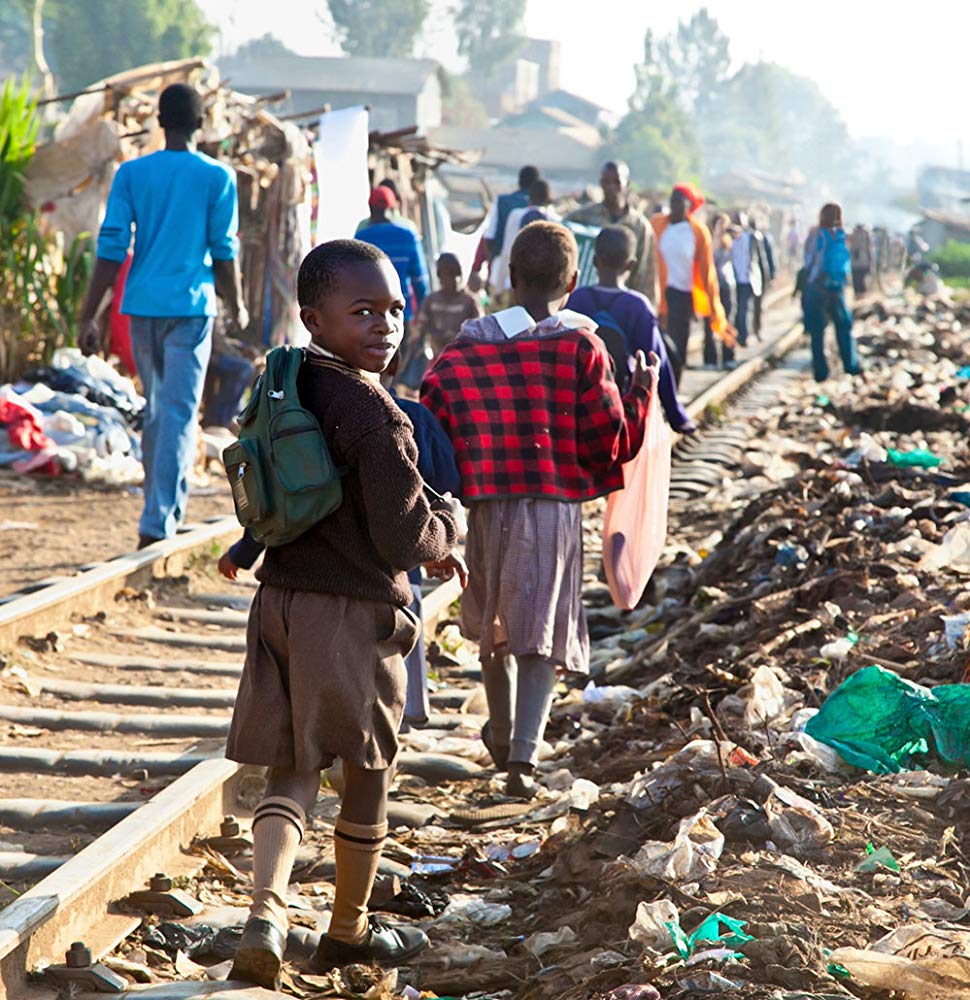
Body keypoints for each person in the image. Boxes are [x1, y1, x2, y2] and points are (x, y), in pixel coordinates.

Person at [225, 239, 464, 988]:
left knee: (291, 770)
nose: (385, 326)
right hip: (352, 614)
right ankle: (347, 931)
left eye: (394, 310)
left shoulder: (284, 380)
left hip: (282, 604)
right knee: (367, 772)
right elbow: (401, 534)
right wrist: (447, 528)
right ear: (315, 318)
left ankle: (265, 915)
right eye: (363, 312)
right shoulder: (377, 413)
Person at [422, 222, 652, 800]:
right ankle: (522, 758)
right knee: (540, 629)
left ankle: (499, 735)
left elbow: (432, 410)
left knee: (496, 621)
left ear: (509, 277)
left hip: (486, 504)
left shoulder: (468, 346)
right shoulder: (583, 347)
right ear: (572, 281)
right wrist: (641, 393)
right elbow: (612, 440)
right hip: (551, 507)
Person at [78, 83, 247, 548]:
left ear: (159, 122)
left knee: (157, 411)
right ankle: (158, 522)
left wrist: (87, 314)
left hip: (142, 308)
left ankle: (159, 511)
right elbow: (223, 250)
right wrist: (236, 302)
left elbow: (111, 247)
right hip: (191, 310)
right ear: (200, 124)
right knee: (175, 412)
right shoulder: (218, 178)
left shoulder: (133, 175)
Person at [568, 226, 695, 433]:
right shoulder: (637, 305)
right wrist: (675, 415)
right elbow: (657, 362)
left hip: (579, 401)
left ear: (594, 260)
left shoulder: (577, 299)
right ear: (631, 265)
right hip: (621, 401)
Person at [650, 183, 732, 384]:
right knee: (656, 348)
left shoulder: (698, 232)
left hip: (682, 298)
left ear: (689, 206)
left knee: (677, 350)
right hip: (658, 295)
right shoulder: (657, 225)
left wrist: (713, 305)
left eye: (679, 202)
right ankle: (658, 394)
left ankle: (673, 390)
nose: (675, 206)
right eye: (672, 201)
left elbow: (707, 271)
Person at [567, 161, 658, 305]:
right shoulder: (581, 218)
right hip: (586, 300)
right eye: (606, 181)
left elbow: (646, 273)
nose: (611, 187)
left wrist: (647, 309)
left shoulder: (640, 226)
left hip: (623, 303)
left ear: (627, 184)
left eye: (617, 182)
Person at [357, 186, 430, 363]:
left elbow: (355, 278)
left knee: (372, 361)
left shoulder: (361, 236)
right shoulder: (407, 235)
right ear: (392, 208)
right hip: (399, 311)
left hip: (368, 312)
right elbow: (419, 279)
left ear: (370, 208)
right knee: (395, 360)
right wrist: (422, 313)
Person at [802, 202, 860, 382]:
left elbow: (808, 259)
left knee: (817, 331)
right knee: (843, 327)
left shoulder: (816, 233)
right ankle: (851, 366)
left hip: (817, 286)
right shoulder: (843, 235)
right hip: (837, 287)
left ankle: (820, 372)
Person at [491, 179, 558, 295]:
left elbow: (507, 251)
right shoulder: (554, 221)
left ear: (529, 197)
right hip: (541, 289)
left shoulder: (515, 215)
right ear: (548, 199)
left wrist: (499, 286)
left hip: (512, 283)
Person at [418, 253, 483, 359]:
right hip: (437, 359)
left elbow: (479, 332)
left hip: (463, 359)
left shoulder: (470, 302)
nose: (453, 279)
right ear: (439, 275)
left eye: (455, 274)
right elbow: (420, 330)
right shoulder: (430, 301)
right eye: (447, 274)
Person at [483, 164, 541, 268]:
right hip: (528, 269)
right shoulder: (539, 207)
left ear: (519, 181)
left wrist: (491, 263)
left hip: (501, 263)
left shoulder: (502, 201)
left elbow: (489, 236)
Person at [204, 321, 257, 429]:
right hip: (211, 356)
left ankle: (234, 413)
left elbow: (222, 339)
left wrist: (241, 346)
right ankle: (221, 418)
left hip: (219, 352)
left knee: (247, 366)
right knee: (244, 368)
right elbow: (217, 342)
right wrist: (237, 354)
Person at [731, 213, 771, 347]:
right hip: (735, 280)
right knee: (740, 309)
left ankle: (748, 334)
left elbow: (762, 259)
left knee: (749, 308)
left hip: (750, 279)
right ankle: (741, 336)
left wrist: (766, 278)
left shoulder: (753, 238)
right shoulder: (729, 239)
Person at [703, 213, 736, 370]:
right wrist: (716, 235)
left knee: (727, 319)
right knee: (708, 322)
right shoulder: (707, 239)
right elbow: (709, 258)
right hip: (710, 286)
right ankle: (710, 358)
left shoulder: (729, 241)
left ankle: (728, 356)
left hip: (726, 285)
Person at [849, 224, 874, 297]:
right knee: (862, 279)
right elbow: (869, 247)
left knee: (856, 279)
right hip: (863, 260)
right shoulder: (866, 233)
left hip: (855, 260)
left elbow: (849, 247)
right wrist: (870, 260)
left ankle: (857, 294)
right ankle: (861, 296)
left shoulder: (852, 233)